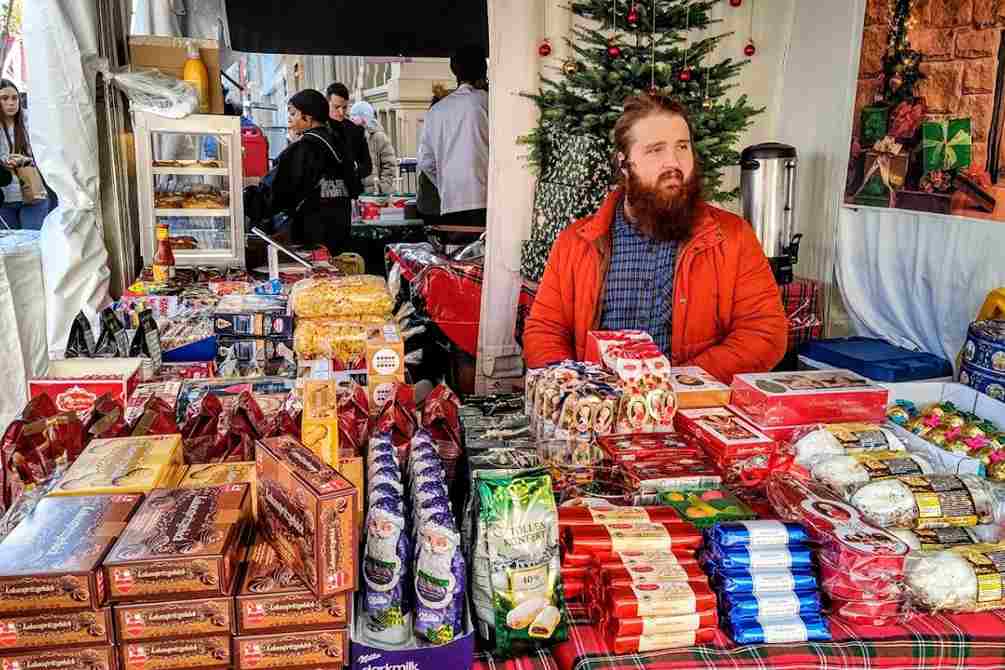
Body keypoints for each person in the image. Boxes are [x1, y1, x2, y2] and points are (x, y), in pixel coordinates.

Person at [522, 93, 787, 383]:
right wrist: (575, 389)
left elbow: (764, 333)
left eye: (682, 147)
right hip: (599, 405)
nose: (673, 162)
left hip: (691, 404)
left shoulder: (733, 237)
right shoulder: (575, 243)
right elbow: (545, 330)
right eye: (655, 150)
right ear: (624, 164)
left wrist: (677, 384)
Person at [243, 89, 353, 253]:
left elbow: (275, 193)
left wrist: (244, 198)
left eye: (293, 113)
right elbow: (355, 186)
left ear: (308, 118)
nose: (289, 118)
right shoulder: (338, 143)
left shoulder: (303, 149)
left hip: (307, 240)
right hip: (339, 234)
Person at [416, 45, 489, 232]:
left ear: (454, 71)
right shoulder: (488, 103)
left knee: (456, 250)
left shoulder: (436, 111)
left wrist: (445, 183)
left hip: (450, 201)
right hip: (486, 199)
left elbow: (425, 162)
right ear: (484, 69)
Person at [0, 80, 49, 230]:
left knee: (33, 240)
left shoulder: (32, 121)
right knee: (10, 243)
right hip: (5, 200)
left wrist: (26, 161)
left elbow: (48, 154)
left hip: (34, 196)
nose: (11, 103)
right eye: (4, 98)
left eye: (15, 98)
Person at [326, 82, 371, 199]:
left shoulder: (356, 130)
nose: (341, 112)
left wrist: (353, 169)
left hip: (352, 193)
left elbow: (367, 166)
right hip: (327, 195)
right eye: (336, 107)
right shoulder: (318, 130)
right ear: (327, 104)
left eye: (344, 107)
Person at [349, 100, 398, 195]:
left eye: (355, 115)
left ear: (364, 117)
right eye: (351, 115)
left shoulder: (379, 137)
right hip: (357, 193)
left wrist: (382, 187)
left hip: (376, 194)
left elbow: (390, 165)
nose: (351, 118)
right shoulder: (350, 136)